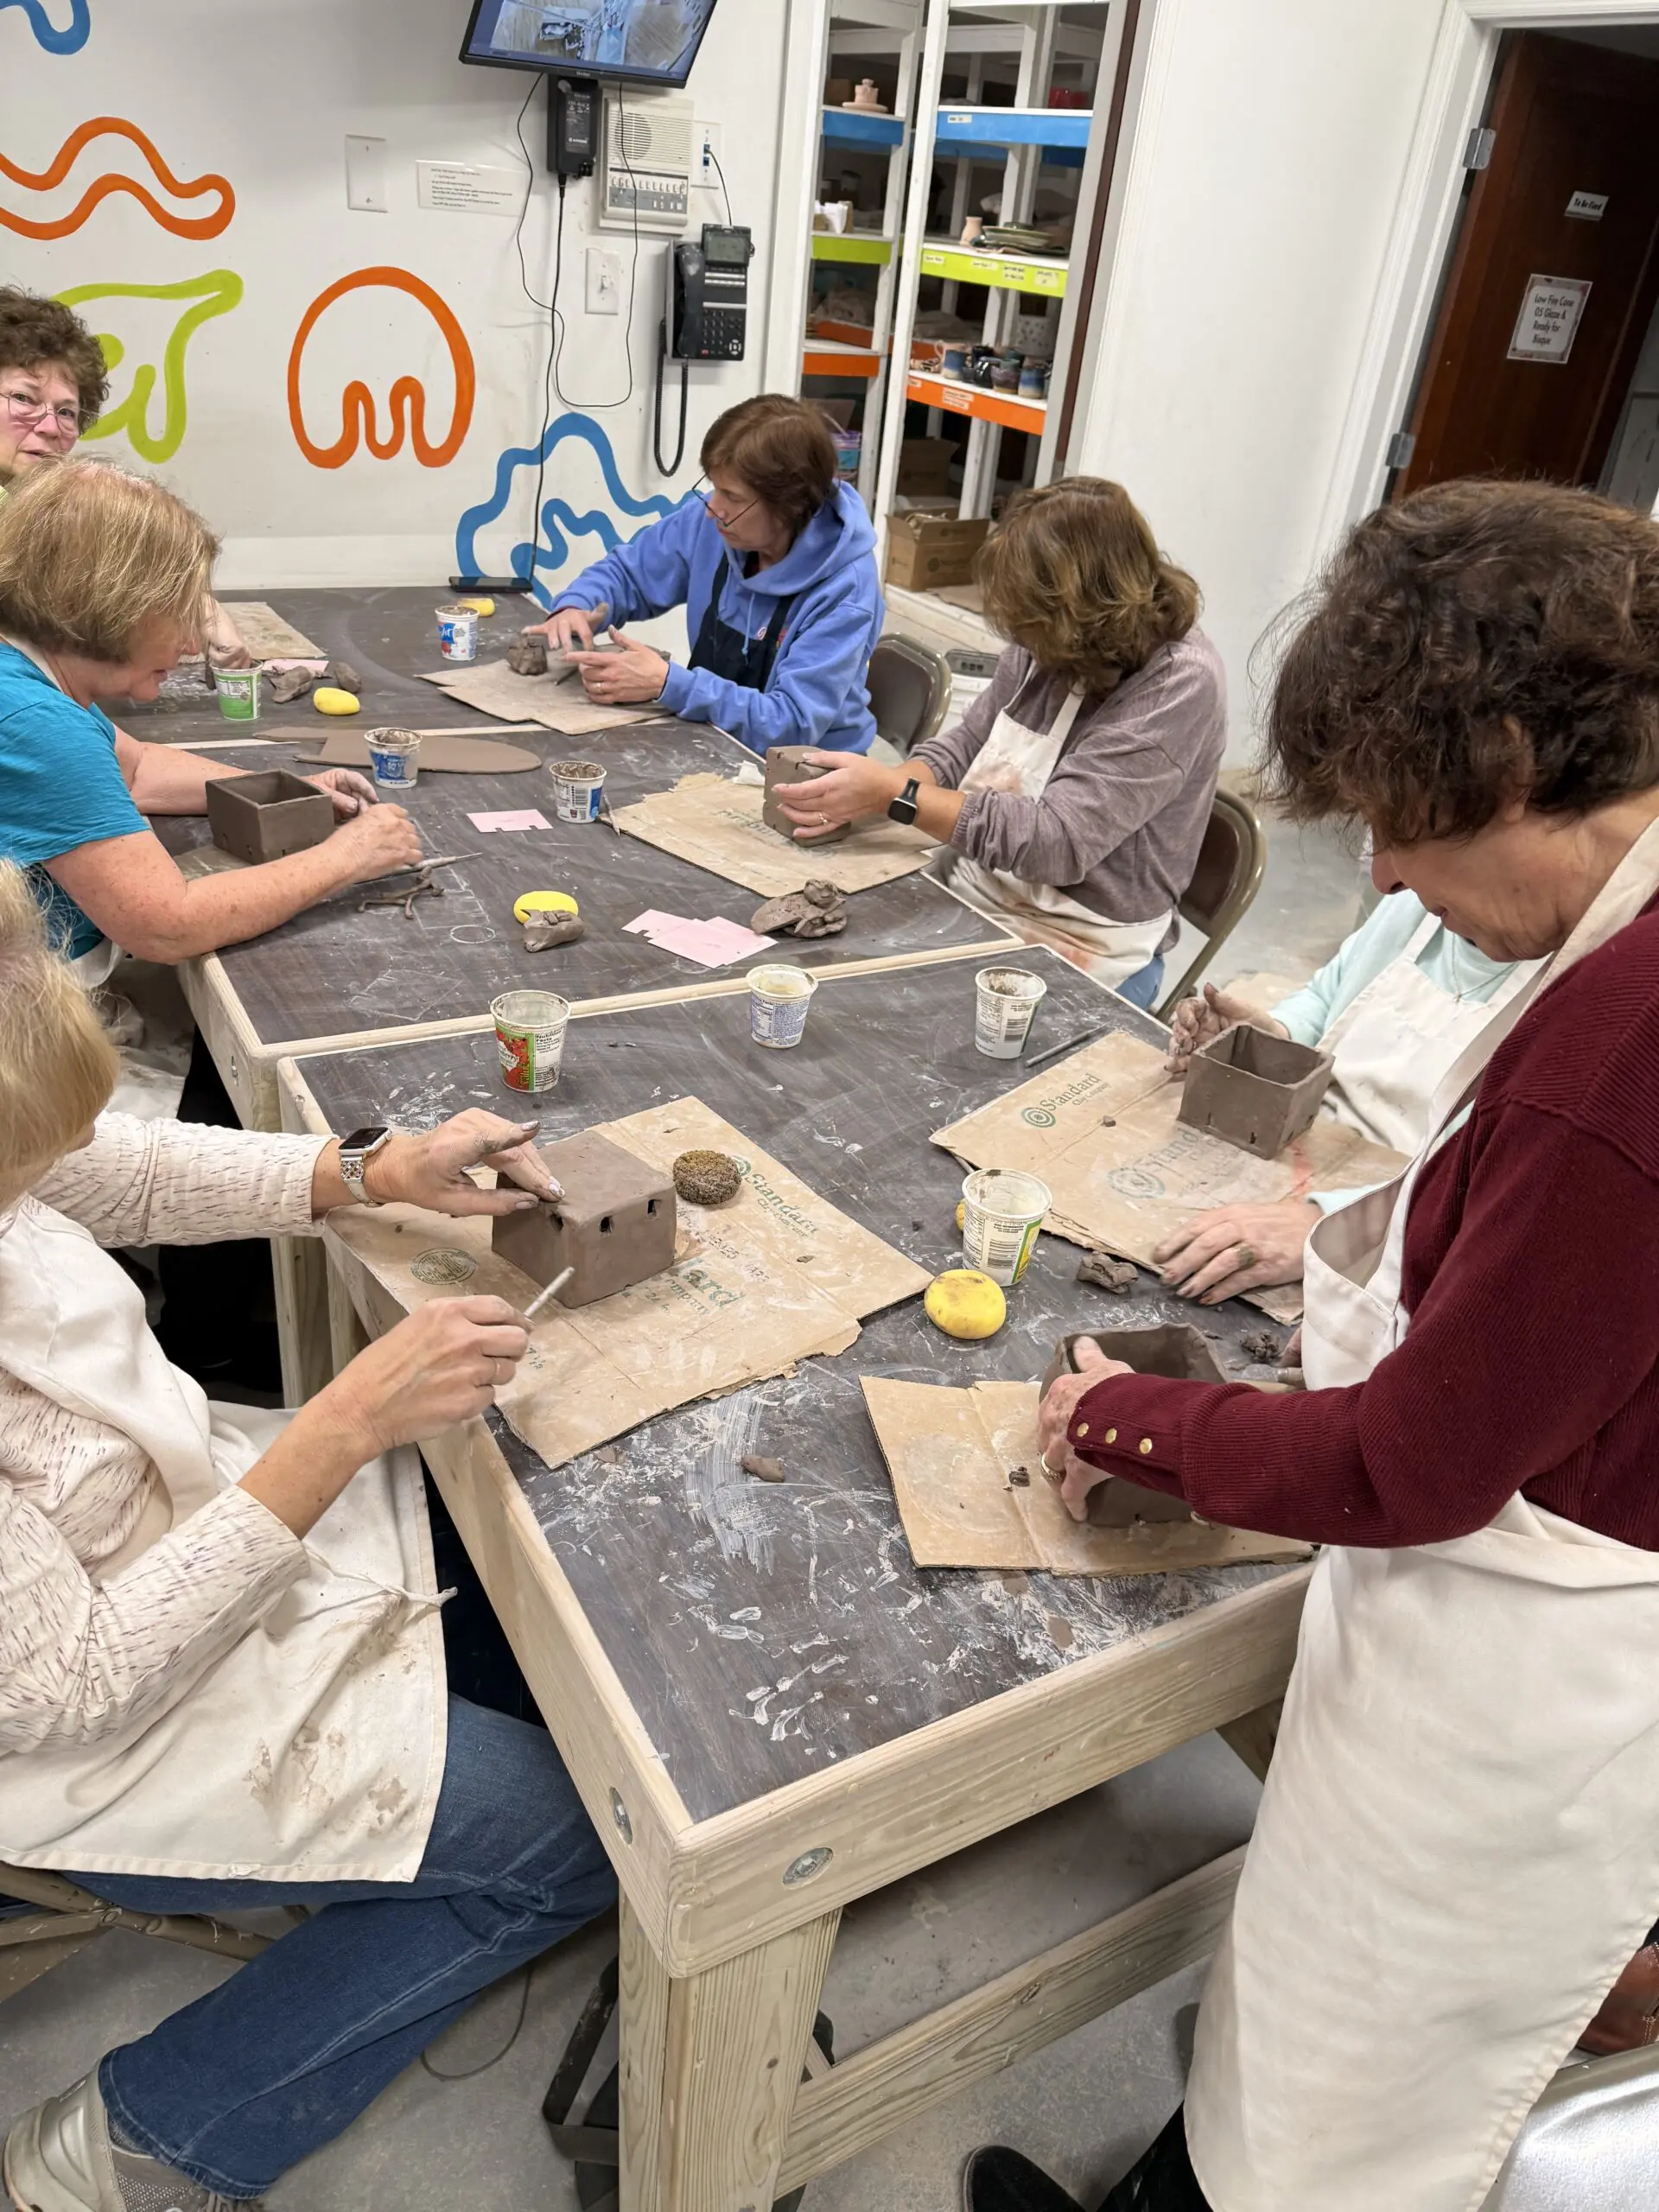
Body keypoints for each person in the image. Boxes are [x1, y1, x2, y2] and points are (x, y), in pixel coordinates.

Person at [963, 477, 1659, 2212]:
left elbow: (1412, 1462)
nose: (1390, 877)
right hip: (1537, 1565)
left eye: (1402, 831)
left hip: (1527, 1670)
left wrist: (1139, 1421)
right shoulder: (1608, 956)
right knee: (1296, 2049)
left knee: (1347, 2098)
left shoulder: (1615, 1056)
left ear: (1513, 761)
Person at [0, 861, 614, 2211]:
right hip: (91, 1725)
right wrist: (342, 1426)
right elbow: (70, 1686)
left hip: (166, 1526)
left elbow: (90, 1166)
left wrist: (363, 1170)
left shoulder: (16, 1158)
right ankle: (145, 2139)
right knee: (578, 1842)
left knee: (536, 1617)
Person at [773, 478, 1225, 1010]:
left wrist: (897, 799)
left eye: (1030, 624)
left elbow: (1057, 844)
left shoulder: (1177, 684)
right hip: (985, 887)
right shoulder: (1049, 638)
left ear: (1081, 610)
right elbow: (968, 743)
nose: (1020, 641)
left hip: (1085, 939)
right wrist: (879, 789)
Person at [0, 459, 421, 985]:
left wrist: (281, 793)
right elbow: (167, 926)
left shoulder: (21, 670)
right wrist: (351, 856)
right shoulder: (39, 724)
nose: (190, 644)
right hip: (31, 1005)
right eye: (174, 613)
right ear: (109, 606)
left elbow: (137, 770)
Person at [1151, 890, 1541, 1303]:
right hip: (1304, 1148)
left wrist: (1334, 1221)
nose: (1382, 881)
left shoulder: (1569, 995)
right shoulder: (1412, 902)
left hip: (1408, 1226)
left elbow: (1497, 1187)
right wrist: (1276, 1042)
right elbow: (1326, 996)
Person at [529, 391, 882, 756]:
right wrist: (578, 605)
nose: (714, 509)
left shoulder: (845, 590)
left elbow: (791, 724)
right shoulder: (713, 525)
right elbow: (630, 573)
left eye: (733, 496)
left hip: (809, 771)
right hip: (713, 737)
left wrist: (669, 684)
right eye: (714, 487)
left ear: (790, 504)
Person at [0, 285, 252, 666]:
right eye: (24, 398)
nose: (51, 427)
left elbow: (115, 553)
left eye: (67, 412)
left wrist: (205, 612)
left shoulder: (42, 505)